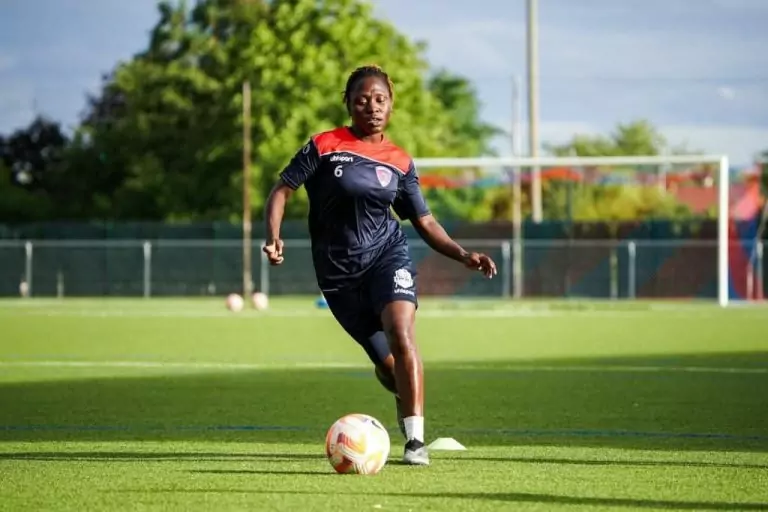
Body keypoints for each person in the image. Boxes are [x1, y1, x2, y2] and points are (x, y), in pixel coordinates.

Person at [263, 65, 497, 466]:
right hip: (338, 275)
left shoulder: (400, 162)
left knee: (401, 333)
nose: (371, 106)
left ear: (390, 106)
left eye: (380, 99)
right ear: (348, 104)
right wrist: (273, 235)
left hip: (388, 256)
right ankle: (402, 392)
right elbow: (282, 190)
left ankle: (415, 442)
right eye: (362, 99)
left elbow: (424, 220)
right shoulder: (323, 145)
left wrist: (463, 254)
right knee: (390, 369)